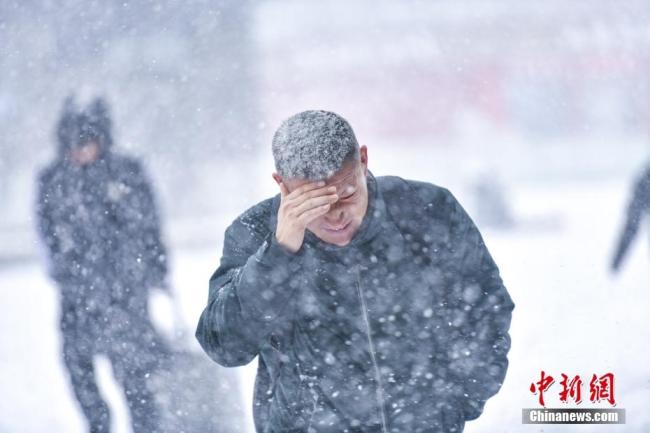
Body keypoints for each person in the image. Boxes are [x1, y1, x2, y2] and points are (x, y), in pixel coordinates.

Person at [196, 110, 515, 433]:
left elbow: (486, 310)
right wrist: (279, 253)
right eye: (315, 204)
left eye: (346, 193)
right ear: (282, 184)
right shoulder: (253, 232)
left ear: (363, 159)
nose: (335, 216)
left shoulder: (425, 211)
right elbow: (225, 346)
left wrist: (454, 405)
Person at [36, 96, 170, 433]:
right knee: (77, 366)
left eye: (87, 141)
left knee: (136, 373)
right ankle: (98, 424)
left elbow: (150, 226)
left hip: (126, 289)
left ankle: (145, 427)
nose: (80, 151)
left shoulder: (127, 173)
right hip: (77, 291)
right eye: (72, 143)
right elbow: (47, 231)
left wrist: (156, 269)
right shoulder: (53, 179)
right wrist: (62, 266)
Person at [611, 165, 650, 274]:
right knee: (631, 228)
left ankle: (615, 264)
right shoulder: (645, 180)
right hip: (642, 193)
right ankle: (615, 265)